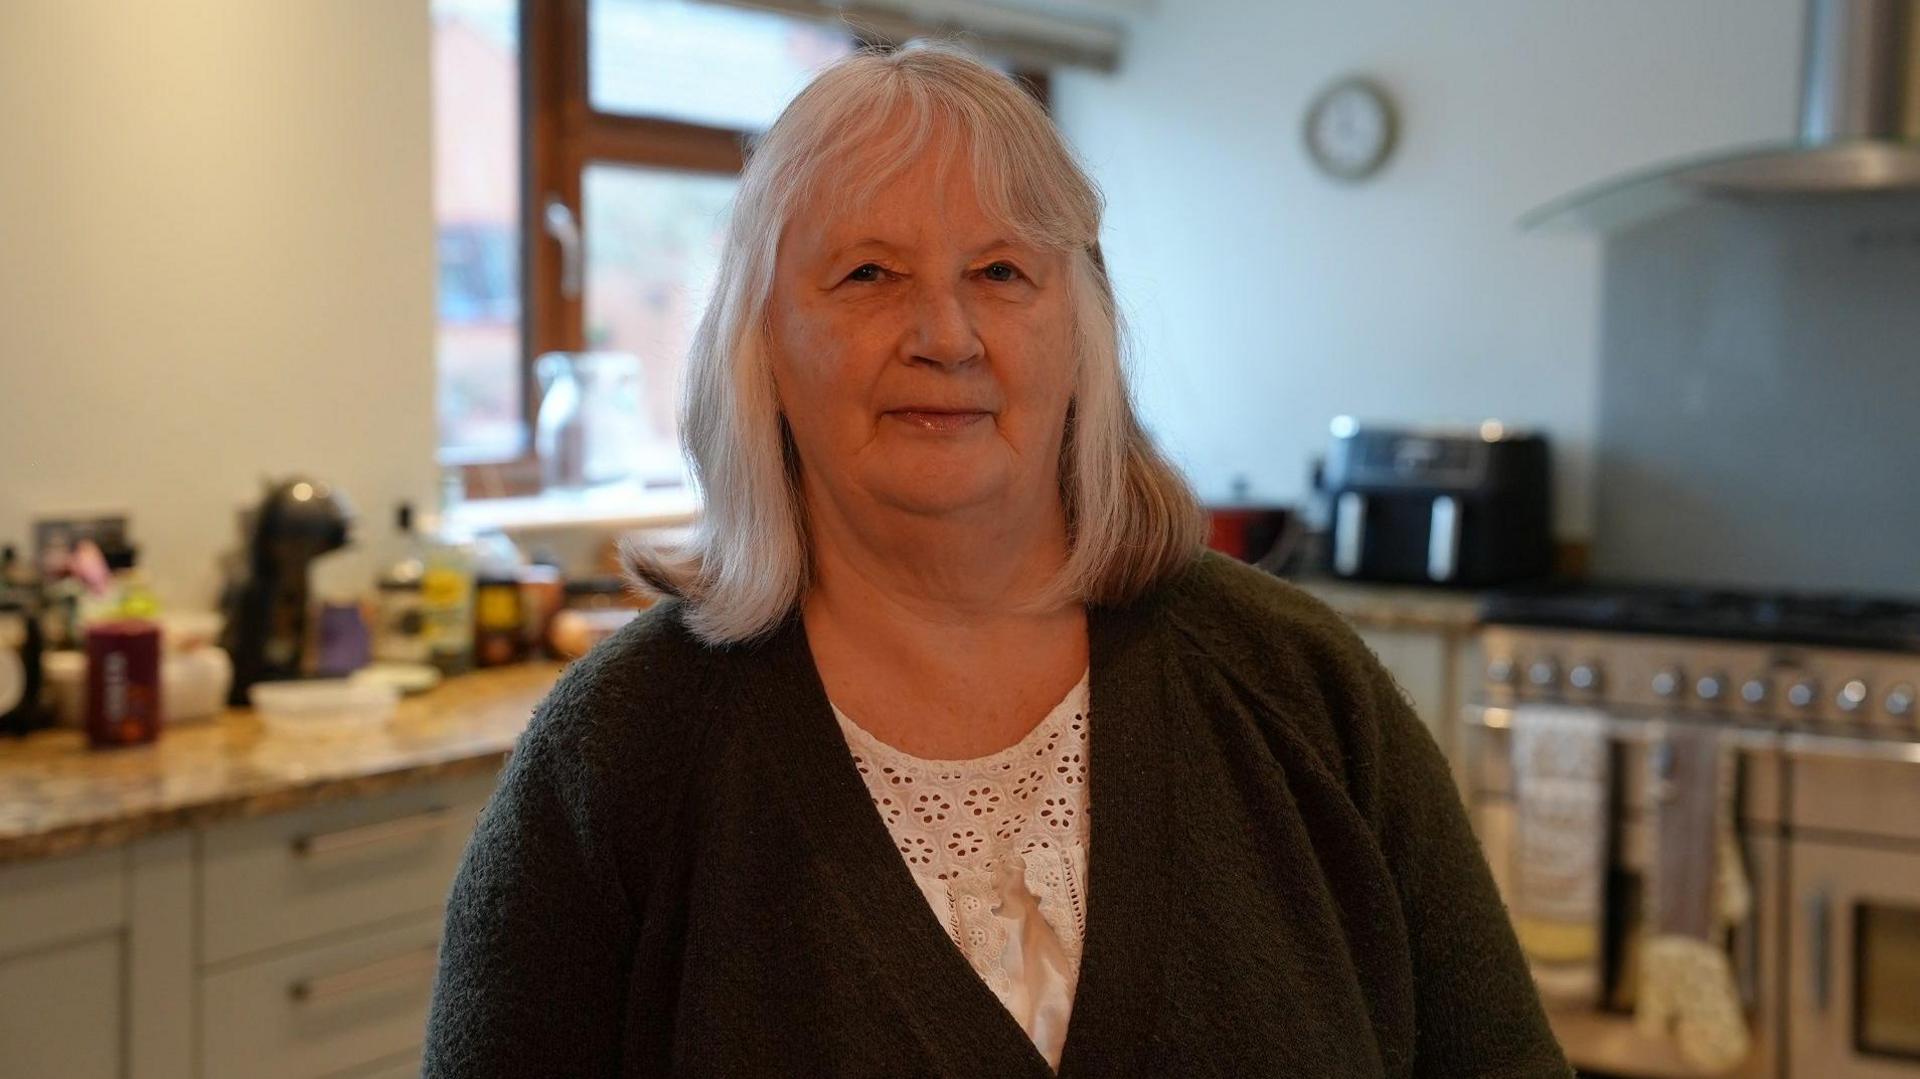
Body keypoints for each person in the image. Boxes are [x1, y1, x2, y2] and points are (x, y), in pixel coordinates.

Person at [424, 42, 1568, 1078]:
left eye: (1002, 273)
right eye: (868, 274)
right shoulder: (617, 756)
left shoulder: (1300, 687)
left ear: (1080, 332)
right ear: (763, 339)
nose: (947, 334)